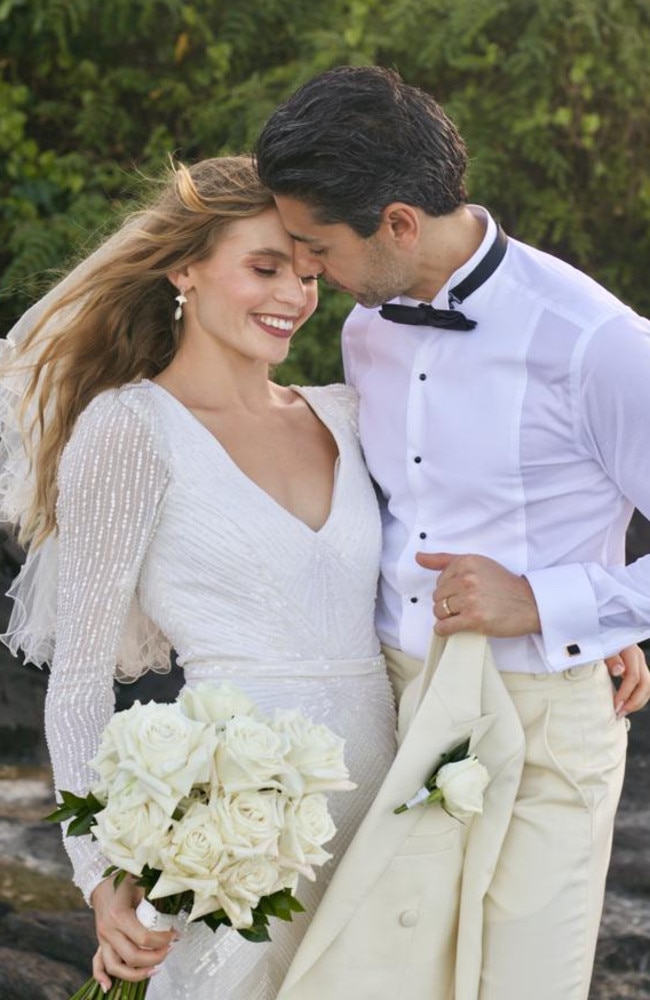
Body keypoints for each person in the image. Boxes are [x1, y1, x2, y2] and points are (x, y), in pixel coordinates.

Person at [255, 65, 650, 999]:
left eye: (316, 246)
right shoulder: (365, 328)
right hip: (396, 706)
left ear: (397, 222)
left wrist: (562, 603)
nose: (308, 271)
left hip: (549, 722)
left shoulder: (599, 342)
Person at [0, 156, 397, 998]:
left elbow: (462, 539)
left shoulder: (348, 414)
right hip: (234, 840)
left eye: (308, 273)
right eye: (264, 268)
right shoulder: (129, 428)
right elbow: (77, 683)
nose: (293, 295)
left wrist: (579, 626)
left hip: (386, 825)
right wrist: (99, 872)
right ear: (185, 268)